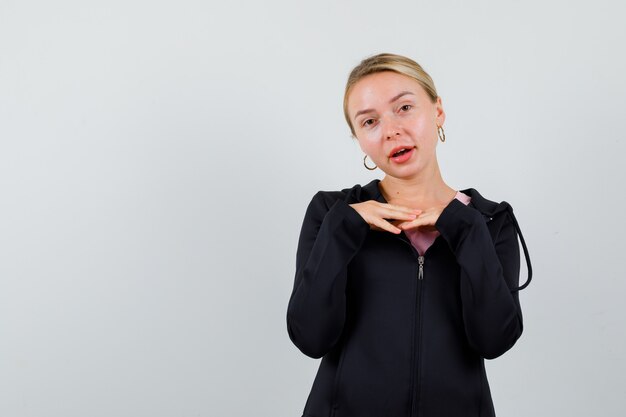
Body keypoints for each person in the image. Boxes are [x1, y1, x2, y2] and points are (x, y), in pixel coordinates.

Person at [286, 53, 532, 417]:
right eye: (369, 121)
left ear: (438, 111)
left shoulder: (488, 221)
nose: (390, 130)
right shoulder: (332, 215)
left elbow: (493, 340)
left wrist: (464, 229)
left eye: (404, 107)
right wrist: (343, 231)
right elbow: (311, 337)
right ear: (360, 140)